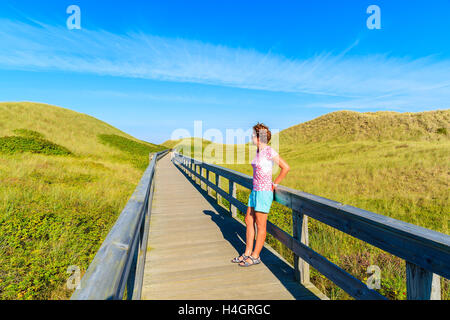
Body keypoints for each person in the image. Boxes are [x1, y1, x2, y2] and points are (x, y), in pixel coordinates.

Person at [231, 123, 290, 267]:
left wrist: (274, 183)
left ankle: (256, 256)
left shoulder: (269, 151)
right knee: (248, 220)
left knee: (260, 225)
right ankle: (247, 253)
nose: (251, 136)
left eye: (253, 134)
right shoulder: (258, 151)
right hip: (255, 190)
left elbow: (286, 167)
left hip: (264, 192)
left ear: (259, 137)